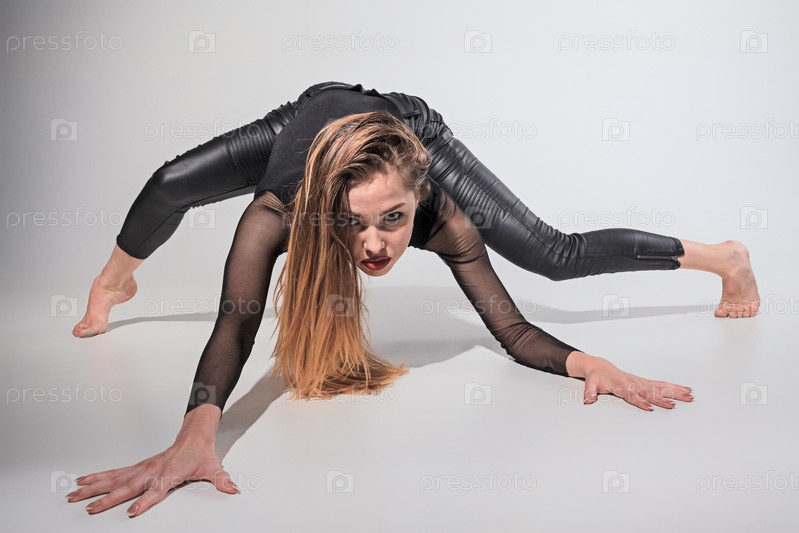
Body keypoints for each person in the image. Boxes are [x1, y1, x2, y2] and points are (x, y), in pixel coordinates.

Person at [66, 83, 756, 518]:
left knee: (553, 254)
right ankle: (116, 280)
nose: (373, 246)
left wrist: (590, 362)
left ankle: (723, 257)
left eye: (393, 221)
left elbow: (513, 330)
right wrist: (195, 435)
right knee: (170, 183)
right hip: (306, 125)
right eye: (353, 223)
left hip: (407, 127)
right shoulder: (277, 214)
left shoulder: (440, 213)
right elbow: (236, 325)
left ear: (420, 200)